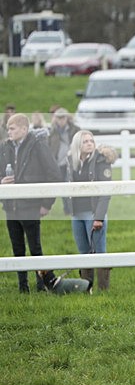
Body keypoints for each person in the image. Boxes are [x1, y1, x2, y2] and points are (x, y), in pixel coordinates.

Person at [0, 113, 63, 293]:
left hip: (30, 205)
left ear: (24, 129)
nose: (9, 132)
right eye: (8, 128)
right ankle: (23, 287)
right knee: (17, 248)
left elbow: (54, 174)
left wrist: (47, 203)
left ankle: (41, 285)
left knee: (35, 247)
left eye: (12, 128)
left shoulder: (38, 145)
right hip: (11, 206)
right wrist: (2, 182)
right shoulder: (5, 147)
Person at [67, 130, 116, 290]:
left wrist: (99, 218)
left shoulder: (101, 161)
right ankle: (86, 288)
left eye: (91, 141)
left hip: (94, 213)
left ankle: (103, 289)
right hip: (77, 214)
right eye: (85, 141)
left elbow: (105, 193)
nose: (89, 144)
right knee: (83, 251)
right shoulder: (72, 161)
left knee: (99, 251)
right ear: (77, 145)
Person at [48, 107, 80, 213]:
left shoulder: (75, 129)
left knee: (70, 183)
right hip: (58, 162)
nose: (61, 120)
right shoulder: (52, 131)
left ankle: (72, 207)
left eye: (63, 118)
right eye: (59, 118)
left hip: (72, 162)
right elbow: (49, 146)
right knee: (62, 185)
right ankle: (67, 208)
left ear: (67, 118)